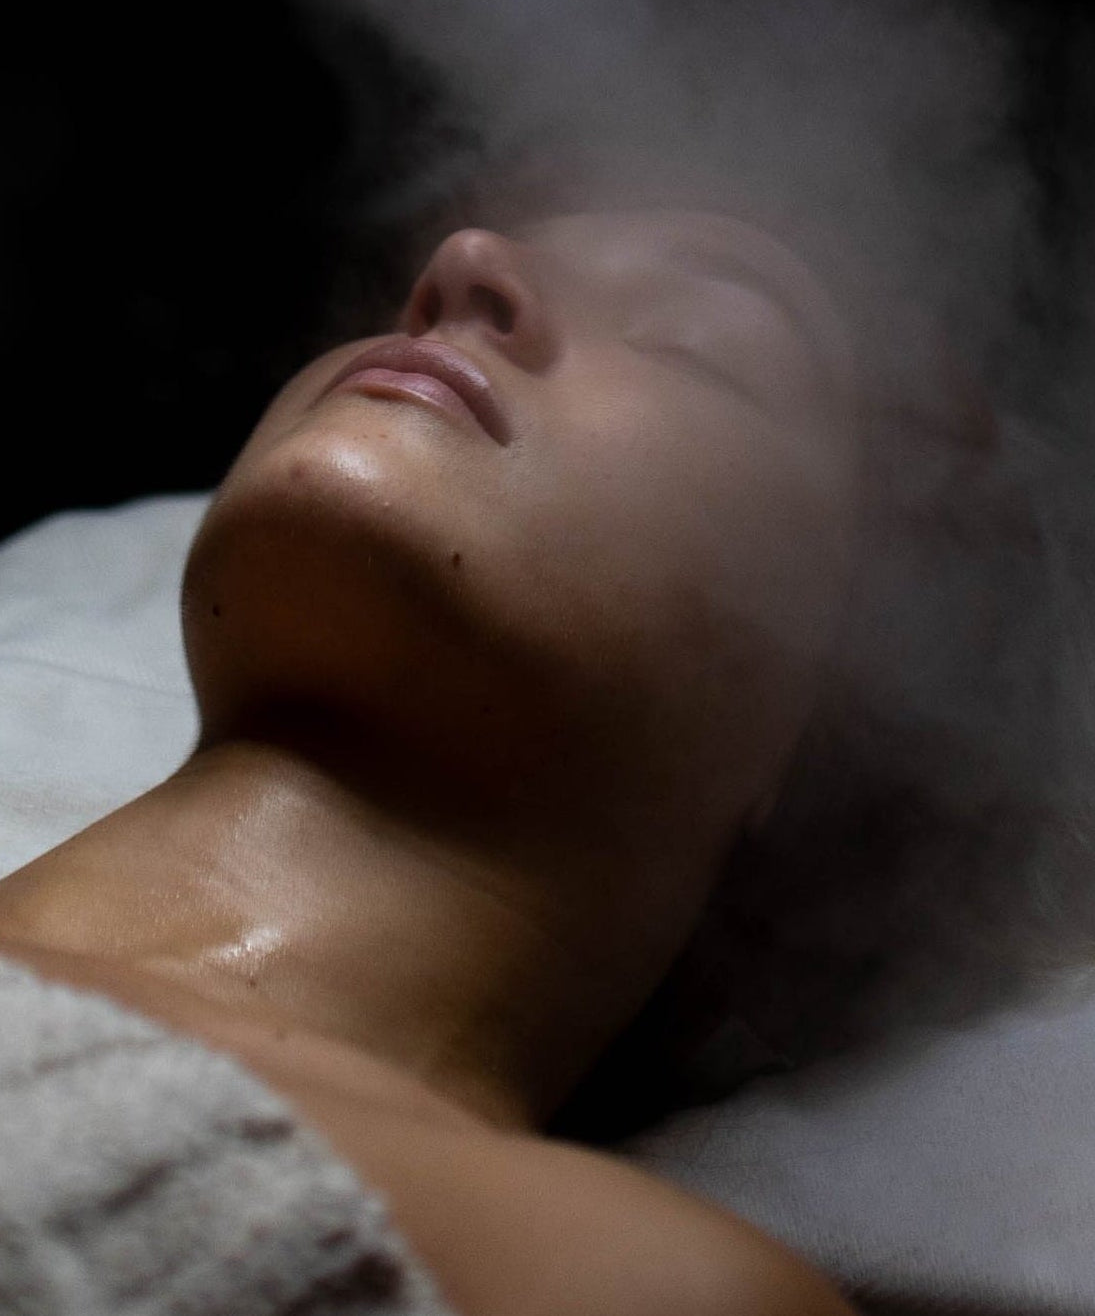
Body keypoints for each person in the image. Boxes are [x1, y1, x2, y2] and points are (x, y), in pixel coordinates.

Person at [0, 209, 859, 1314]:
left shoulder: (636, 1289)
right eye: (452, 260)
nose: (465, 263)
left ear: (824, 735)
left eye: (698, 339)